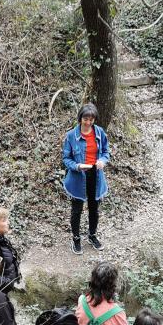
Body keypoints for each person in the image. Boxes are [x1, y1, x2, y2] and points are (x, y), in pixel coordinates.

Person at [62, 103, 111, 255]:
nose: (88, 122)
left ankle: (92, 235)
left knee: (94, 209)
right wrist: (77, 166)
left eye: (91, 119)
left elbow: (105, 151)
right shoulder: (71, 136)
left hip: (95, 175)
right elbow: (66, 158)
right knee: (76, 210)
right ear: (80, 118)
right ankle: (76, 238)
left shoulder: (99, 132)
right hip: (78, 176)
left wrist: (103, 160)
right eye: (85, 119)